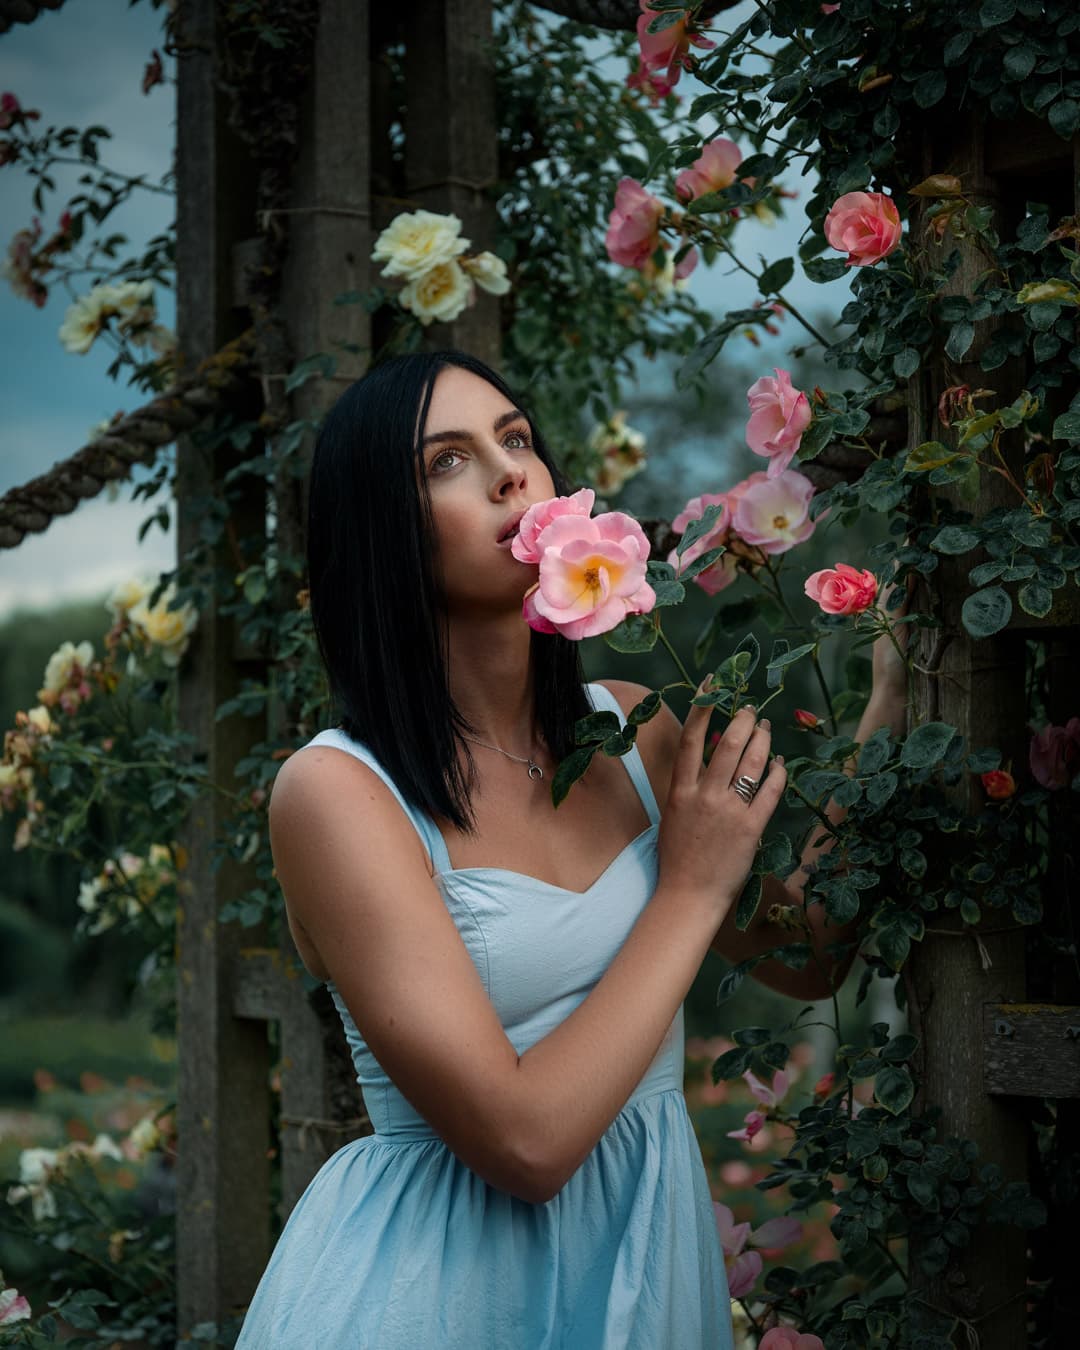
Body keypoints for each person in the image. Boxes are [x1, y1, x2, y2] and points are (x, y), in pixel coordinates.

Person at [234, 350, 908, 1349]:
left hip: (641, 1278)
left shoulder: (635, 732)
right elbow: (527, 1142)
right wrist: (690, 888)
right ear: (381, 534)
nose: (513, 472)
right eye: (447, 462)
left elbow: (804, 954)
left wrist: (896, 694)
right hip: (432, 1303)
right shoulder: (338, 793)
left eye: (516, 440)